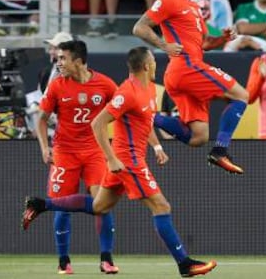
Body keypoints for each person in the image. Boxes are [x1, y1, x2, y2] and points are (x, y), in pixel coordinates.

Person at [22, 46, 217, 278]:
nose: (156, 64)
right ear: (146, 65)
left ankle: (41, 204)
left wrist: (158, 145)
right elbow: (97, 124)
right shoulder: (127, 92)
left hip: (125, 160)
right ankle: (185, 264)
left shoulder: (147, 90)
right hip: (129, 161)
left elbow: (147, 121)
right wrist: (112, 158)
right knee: (161, 206)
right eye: (153, 60)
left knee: (99, 206)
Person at [133, 0, 249, 174]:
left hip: (184, 71)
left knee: (198, 137)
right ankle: (221, 151)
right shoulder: (169, 0)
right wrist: (163, 44)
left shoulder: (193, 7)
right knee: (241, 95)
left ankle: (145, 115)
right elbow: (139, 27)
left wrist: (223, 39)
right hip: (186, 67)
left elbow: (204, 43)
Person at [31, 40, 119, 274]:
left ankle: (106, 259)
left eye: (62, 58)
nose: (58, 62)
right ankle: (63, 261)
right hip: (64, 152)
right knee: (62, 208)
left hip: (95, 151)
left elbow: (123, 110)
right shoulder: (57, 85)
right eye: (57, 58)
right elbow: (40, 119)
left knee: (102, 204)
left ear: (78, 61)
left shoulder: (106, 84)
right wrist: (44, 148)